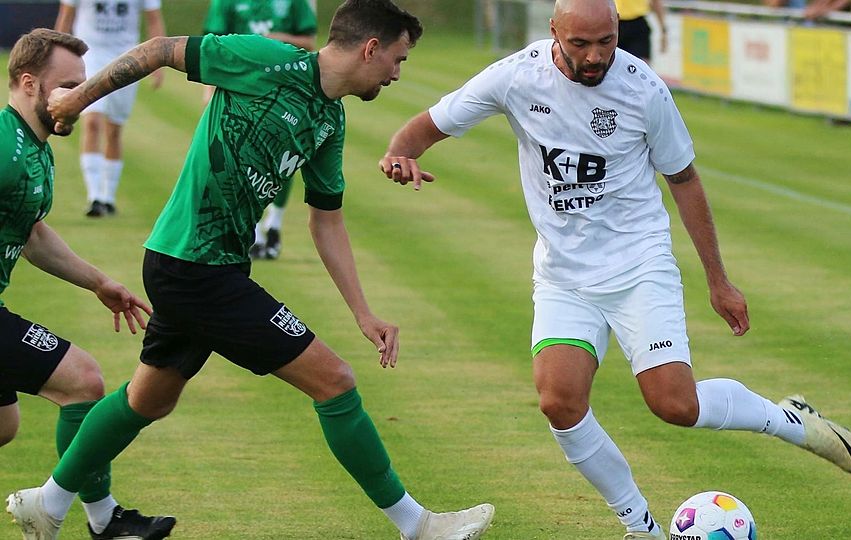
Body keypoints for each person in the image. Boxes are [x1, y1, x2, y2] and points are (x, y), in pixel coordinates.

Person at [6, 2, 495, 539]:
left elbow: (325, 221)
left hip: (208, 266)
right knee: (334, 381)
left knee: (148, 400)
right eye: (397, 60)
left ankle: (47, 503)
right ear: (370, 48)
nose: (398, 74)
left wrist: (363, 312)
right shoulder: (266, 60)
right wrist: (78, 98)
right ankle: (416, 525)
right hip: (195, 267)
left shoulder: (329, 119)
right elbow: (157, 51)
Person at [380, 1, 851, 538]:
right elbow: (426, 127)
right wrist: (399, 154)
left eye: (606, 42)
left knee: (675, 405)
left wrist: (719, 280)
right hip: (564, 276)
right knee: (558, 402)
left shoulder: (643, 89)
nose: (595, 57)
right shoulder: (515, 77)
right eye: (580, 44)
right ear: (554, 34)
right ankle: (641, 526)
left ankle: (788, 420)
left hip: (640, 265)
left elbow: (684, 180)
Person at [1, 28, 175, 540]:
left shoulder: (35, 148)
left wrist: (99, 282)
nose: (84, 97)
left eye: (87, 85)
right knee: (82, 381)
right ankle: (106, 521)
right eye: (70, 86)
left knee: (5, 426)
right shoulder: (6, 149)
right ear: (30, 84)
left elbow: (31, 234)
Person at [200, 0, 320, 260]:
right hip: (240, 87)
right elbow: (211, 44)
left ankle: (274, 225)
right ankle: (251, 232)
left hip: (285, 89)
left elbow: (310, 43)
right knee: (240, 157)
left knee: (285, 158)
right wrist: (208, 90)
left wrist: (277, 38)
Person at [54, 0, 166, 218]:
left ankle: (108, 197)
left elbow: (153, 19)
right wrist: (58, 60)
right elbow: (66, 17)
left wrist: (158, 64)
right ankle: (94, 197)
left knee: (114, 130)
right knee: (92, 122)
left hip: (128, 58)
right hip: (89, 56)